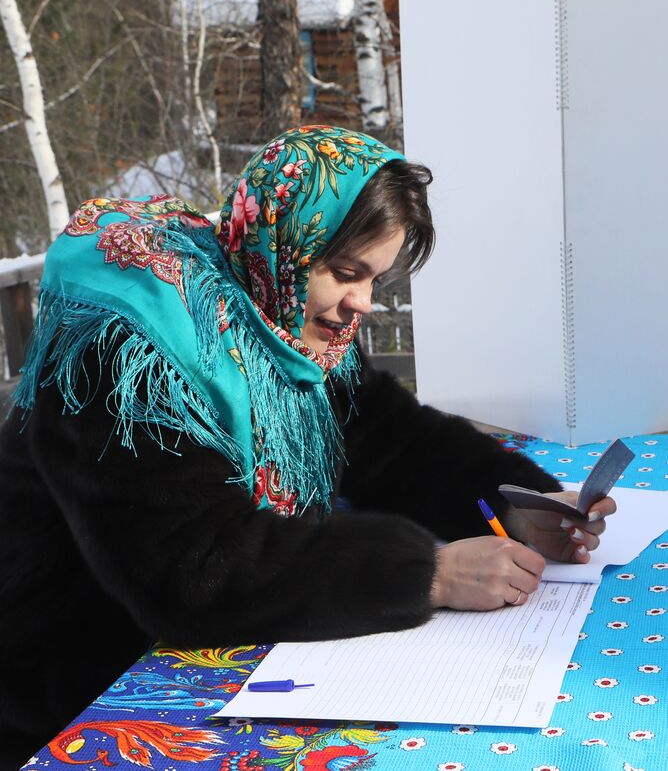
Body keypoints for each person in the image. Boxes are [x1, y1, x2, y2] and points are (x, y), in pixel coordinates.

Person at [0, 125, 614, 768]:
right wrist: (427, 574)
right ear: (285, 243)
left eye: (375, 279)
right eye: (347, 274)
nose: (362, 304)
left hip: (186, 656)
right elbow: (194, 569)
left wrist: (514, 503)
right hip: (72, 679)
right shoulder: (131, 355)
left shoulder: (279, 313)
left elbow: (393, 441)